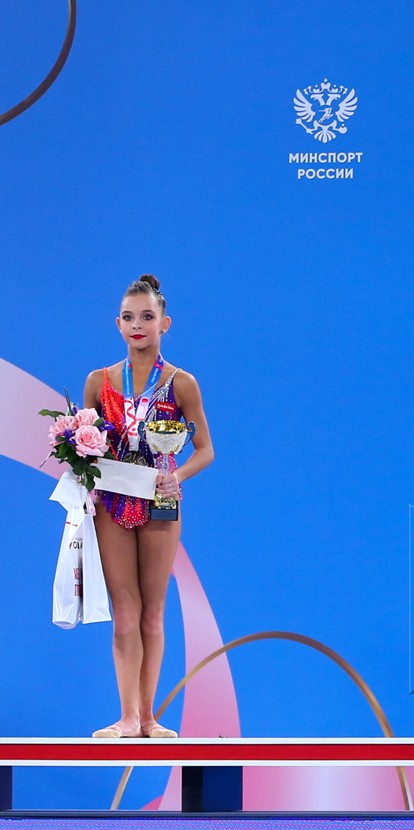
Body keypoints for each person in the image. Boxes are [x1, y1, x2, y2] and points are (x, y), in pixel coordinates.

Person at [84, 274, 215, 738]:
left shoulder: (182, 383)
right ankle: (126, 717)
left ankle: (148, 718)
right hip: (112, 502)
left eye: (146, 316)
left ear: (165, 323)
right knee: (125, 610)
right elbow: (85, 444)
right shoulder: (98, 382)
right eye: (129, 317)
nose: (137, 325)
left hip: (160, 500)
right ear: (117, 324)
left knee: (153, 611)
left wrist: (176, 476)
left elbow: (205, 450)